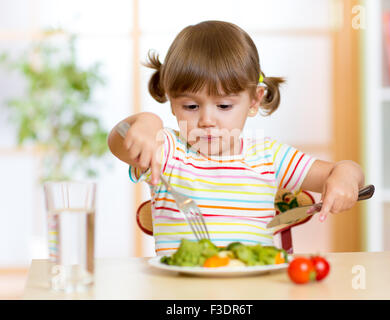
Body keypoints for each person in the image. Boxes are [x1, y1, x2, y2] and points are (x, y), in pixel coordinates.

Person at [108, 20, 365, 255]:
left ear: (254, 100)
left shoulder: (269, 157)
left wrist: (346, 178)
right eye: (191, 107)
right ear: (172, 103)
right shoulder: (166, 151)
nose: (207, 120)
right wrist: (145, 123)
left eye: (223, 106)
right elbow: (119, 142)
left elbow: (342, 170)